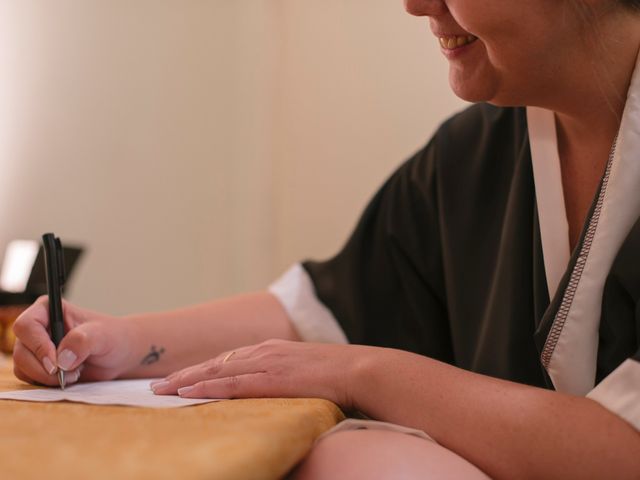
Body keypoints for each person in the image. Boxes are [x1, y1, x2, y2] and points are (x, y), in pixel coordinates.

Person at [11, 0, 640, 478]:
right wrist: (123, 344)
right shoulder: (472, 156)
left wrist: (365, 373)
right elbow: (327, 311)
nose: (417, 4)